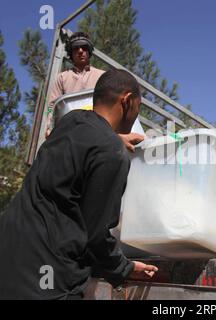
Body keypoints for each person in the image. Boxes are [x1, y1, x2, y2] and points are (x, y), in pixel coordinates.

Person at [0, 69, 158, 300]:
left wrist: (112, 138)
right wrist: (124, 267)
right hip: (48, 277)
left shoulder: (69, 122)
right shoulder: (111, 153)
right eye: (138, 107)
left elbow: (86, 135)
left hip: (9, 253)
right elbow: (95, 236)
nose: (136, 115)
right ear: (127, 101)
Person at [46, 31, 141, 152]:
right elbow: (51, 106)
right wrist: (49, 125)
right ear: (71, 52)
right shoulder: (62, 78)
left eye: (84, 47)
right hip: (71, 132)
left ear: (89, 51)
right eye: (76, 48)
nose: (80, 51)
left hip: (99, 131)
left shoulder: (102, 76)